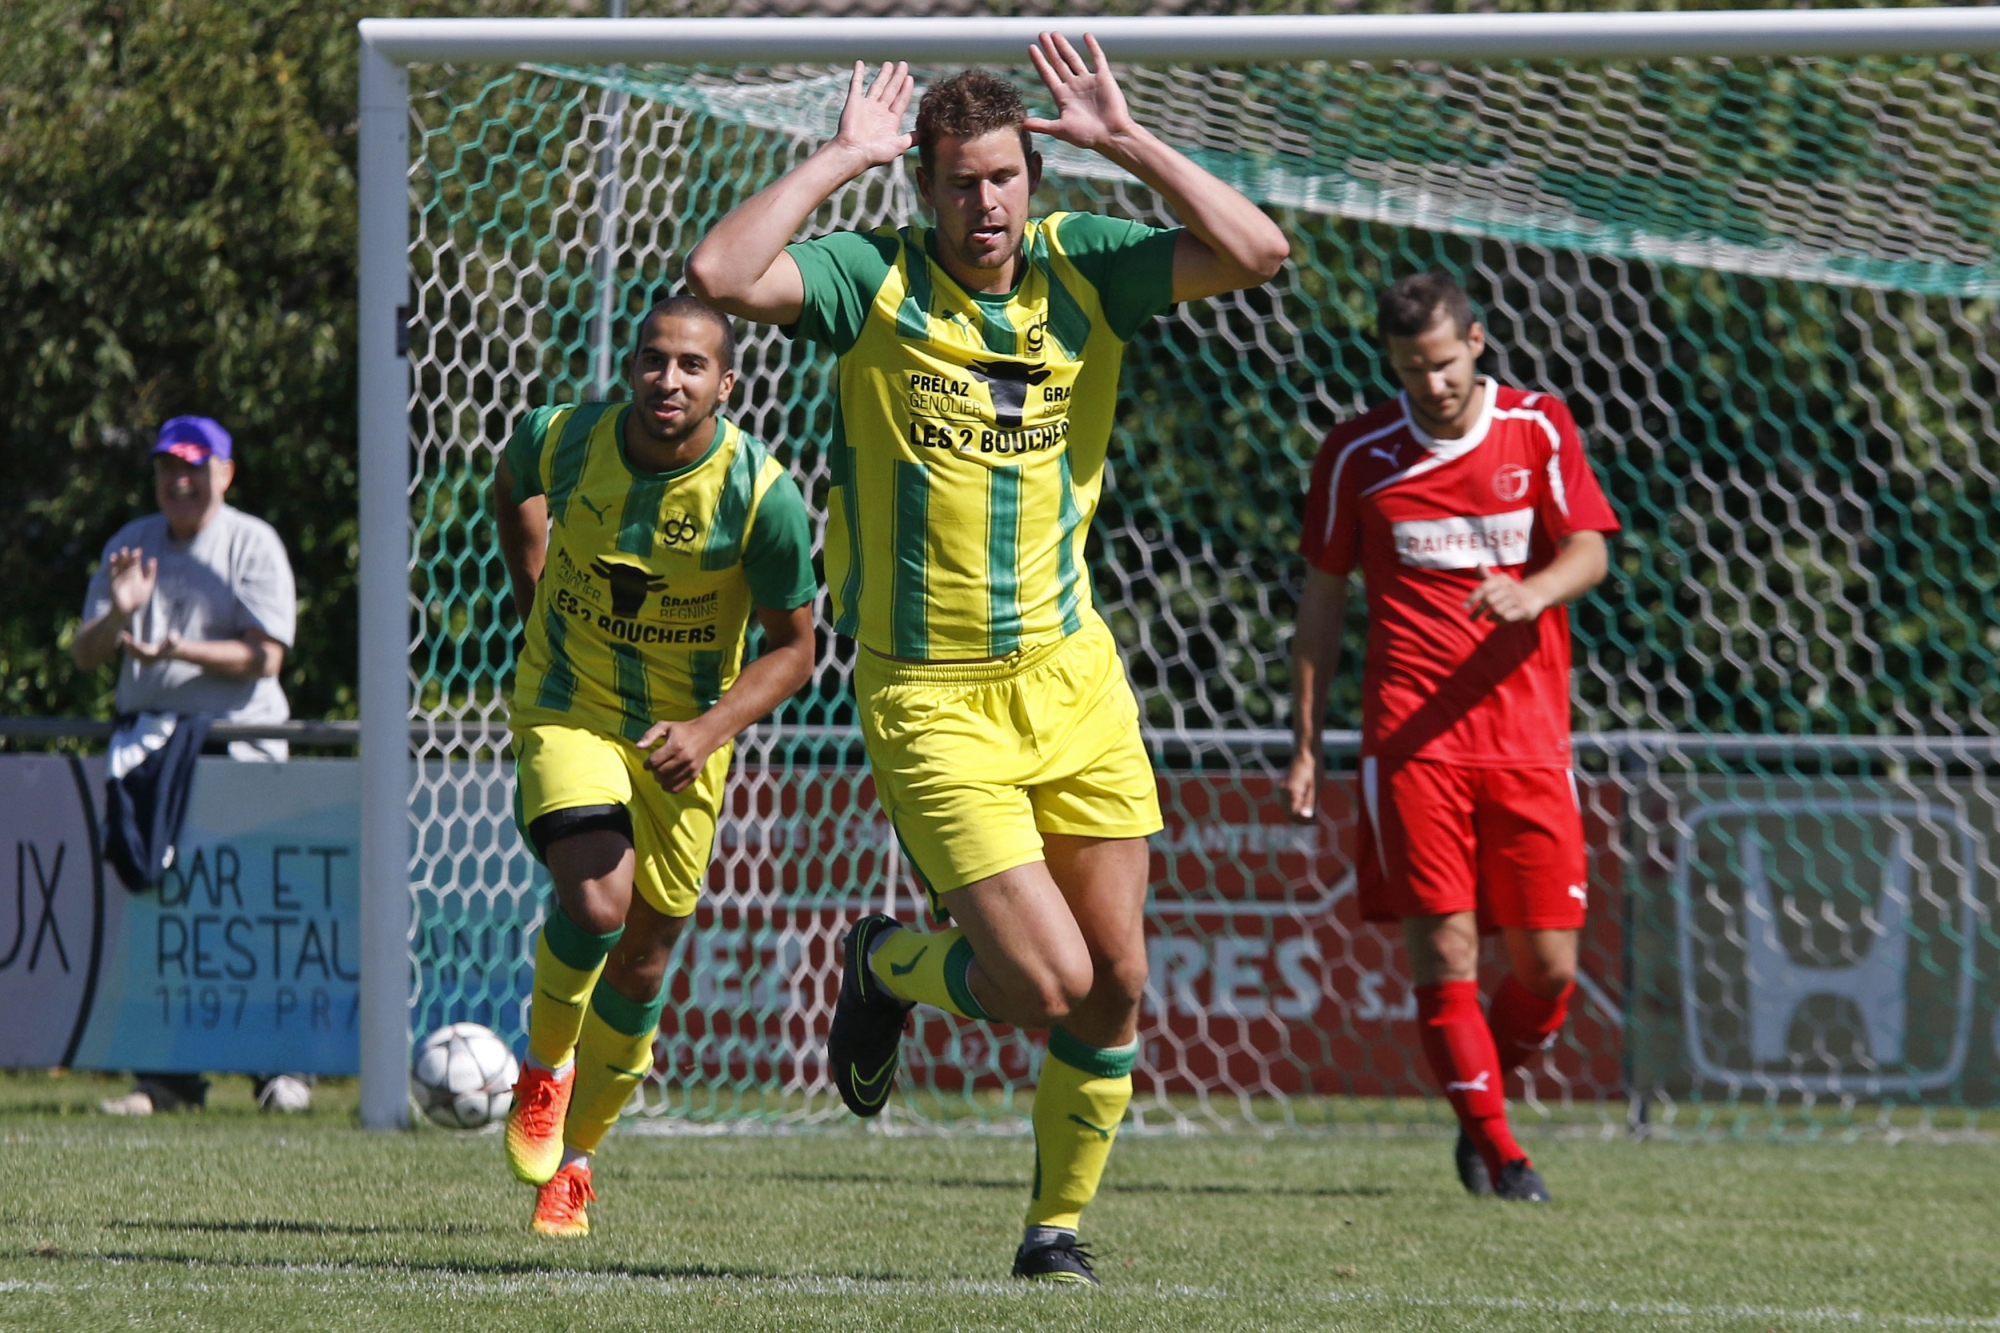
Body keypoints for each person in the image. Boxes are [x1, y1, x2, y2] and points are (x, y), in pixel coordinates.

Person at [687, 40, 1287, 1283]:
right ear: (923, 188)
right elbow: (719, 273)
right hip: (929, 696)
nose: (989, 204)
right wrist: (841, 155)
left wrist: (1126, 141)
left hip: (1070, 678)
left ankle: (1050, 1231)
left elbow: (1256, 251)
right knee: (1046, 981)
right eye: (961, 182)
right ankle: (889, 965)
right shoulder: (874, 282)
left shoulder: (1081, 268)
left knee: (1114, 979)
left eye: (1006, 176)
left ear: (1032, 176)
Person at [1285, 272, 1620, 1202]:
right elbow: (1322, 605)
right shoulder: (1358, 455)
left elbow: (1589, 547)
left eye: (1441, 363)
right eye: (1408, 369)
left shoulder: (1537, 428)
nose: (1429, 384)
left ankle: (1485, 1103)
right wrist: (1307, 739)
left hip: (1528, 739)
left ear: (1476, 342)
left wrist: (1534, 590)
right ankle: (1502, 1155)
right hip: (1410, 745)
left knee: (1548, 974)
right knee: (1448, 959)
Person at [494, 295, 817, 1238]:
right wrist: (533, 591)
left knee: (641, 962)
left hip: (683, 743)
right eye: (652, 360)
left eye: (689, 366)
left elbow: (794, 649)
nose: (666, 381)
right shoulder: (570, 437)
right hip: (570, 708)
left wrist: (709, 729)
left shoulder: (761, 494)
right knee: (597, 902)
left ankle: (579, 1160)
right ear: (631, 367)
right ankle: (545, 1071)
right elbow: (513, 479)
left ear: (726, 383)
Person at [73, 414, 310, 1115]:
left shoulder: (252, 542)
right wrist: (119, 614)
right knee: (165, 913)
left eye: (194, 466)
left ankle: (278, 1068)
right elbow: (86, 653)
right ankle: (170, 1077)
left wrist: (176, 648)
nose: (179, 480)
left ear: (225, 473)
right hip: (149, 749)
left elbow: (266, 655)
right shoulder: (130, 545)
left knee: (251, 912)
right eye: (166, 467)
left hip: (240, 747)